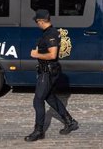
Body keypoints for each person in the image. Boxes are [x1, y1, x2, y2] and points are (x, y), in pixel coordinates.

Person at [25, 9, 78, 142]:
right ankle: (70, 122)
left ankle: (38, 131)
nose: (37, 24)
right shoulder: (47, 33)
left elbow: (53, 55)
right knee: (50, 98)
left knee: (38, 100)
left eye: (38, 22)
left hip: (47, 72)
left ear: (42, 21)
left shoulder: (51, 34)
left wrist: (36, 54)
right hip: (45, 70)